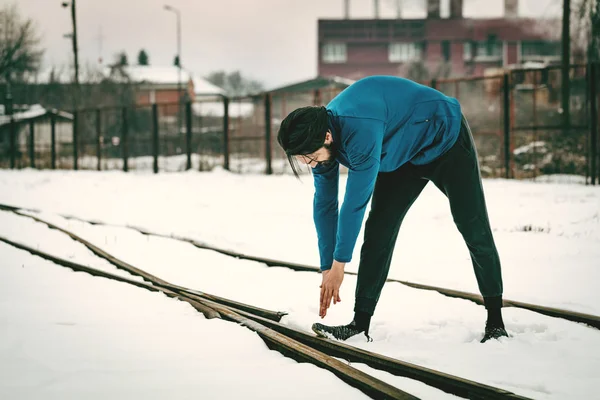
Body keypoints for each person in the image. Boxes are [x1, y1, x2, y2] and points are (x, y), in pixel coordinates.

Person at [276, 75, 508, 344]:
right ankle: (359, 325)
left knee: (472, 224)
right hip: (400, 155)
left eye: (310, 157)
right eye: (303, 159)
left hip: (445, 139)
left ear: (327, 137)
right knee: (378, 231)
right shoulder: (317, 141)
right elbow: (326, 205)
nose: (309, 163)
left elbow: (354, 203)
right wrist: (328, 265)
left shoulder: (358, 128)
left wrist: (341, 263)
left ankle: (496, 321)